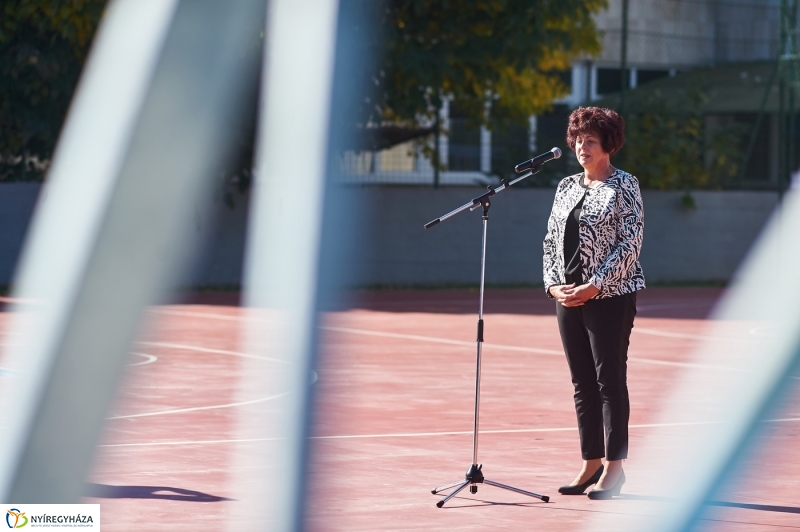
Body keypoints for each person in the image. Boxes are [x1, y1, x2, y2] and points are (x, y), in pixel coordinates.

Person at [542, 106, 645, 500]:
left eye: (591, 141)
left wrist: (596, 285)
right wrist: (554, 286)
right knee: (581, 383)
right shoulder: (566, 185)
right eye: (578, 140)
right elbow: (551, 241)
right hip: (567, 296)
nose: (582, 147)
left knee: (609, 382)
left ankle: (614, 469)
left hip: (611, 296)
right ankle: (590, 462)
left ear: (608, 145)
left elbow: (629, 244)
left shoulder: (625, 186)